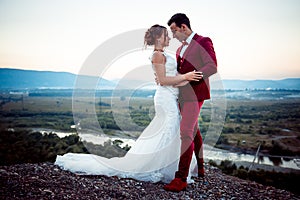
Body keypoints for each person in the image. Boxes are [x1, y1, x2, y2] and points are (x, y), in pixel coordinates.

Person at [55, 24, 202, 183]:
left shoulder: (163, 54)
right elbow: (162, 80)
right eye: (166, 35)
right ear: (159, 38)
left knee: (170, 130)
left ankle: (168, 166)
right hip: (165, 99)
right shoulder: (157, 56)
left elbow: (170, 78)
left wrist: (184, 79)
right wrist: (186, 77)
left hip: (170, 96)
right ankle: (158, 167)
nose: (169, 38)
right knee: (170, 129)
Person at [163, 13, 218, 192]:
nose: (173, 36)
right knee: (194, 130)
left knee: (186, 131)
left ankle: (181, 178)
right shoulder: (179, 50)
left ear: (183, 27)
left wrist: (193, 78)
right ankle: (200, 167)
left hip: (196, 94)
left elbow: (212, 66)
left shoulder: (203, 41)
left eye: (174, 30)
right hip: (181, 95)